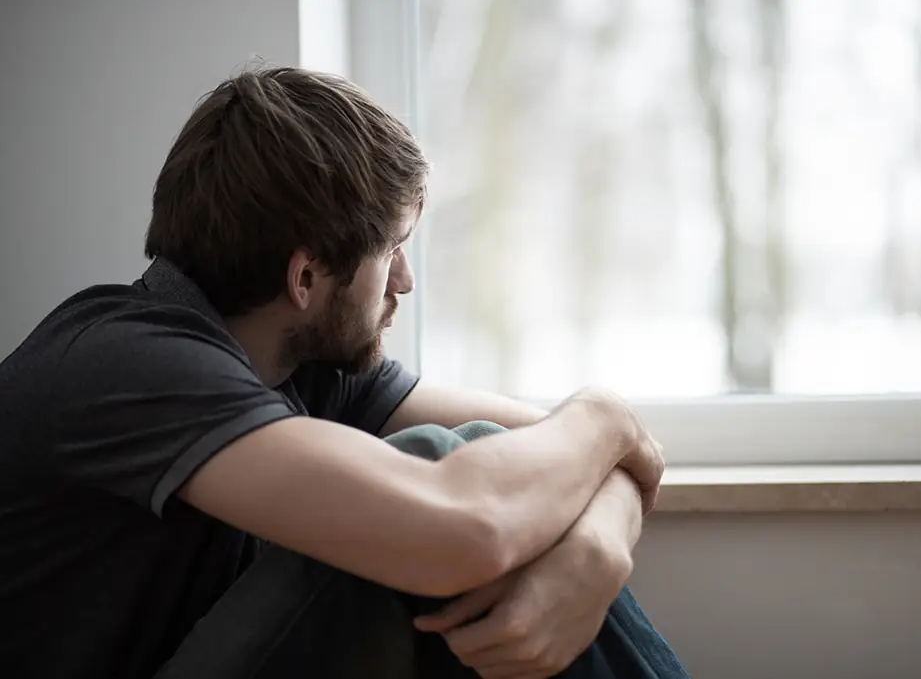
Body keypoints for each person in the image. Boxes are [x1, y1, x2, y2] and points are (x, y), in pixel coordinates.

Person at [0, 67, 689, 678]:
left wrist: (595, 552)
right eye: (393, 249)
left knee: (485, 461)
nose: (406, 281)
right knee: (436, 482)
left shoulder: (296, 366)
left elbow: (580, 455)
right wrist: (605, 409)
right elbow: (475, 523)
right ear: (305, 276)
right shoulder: (128, 361)